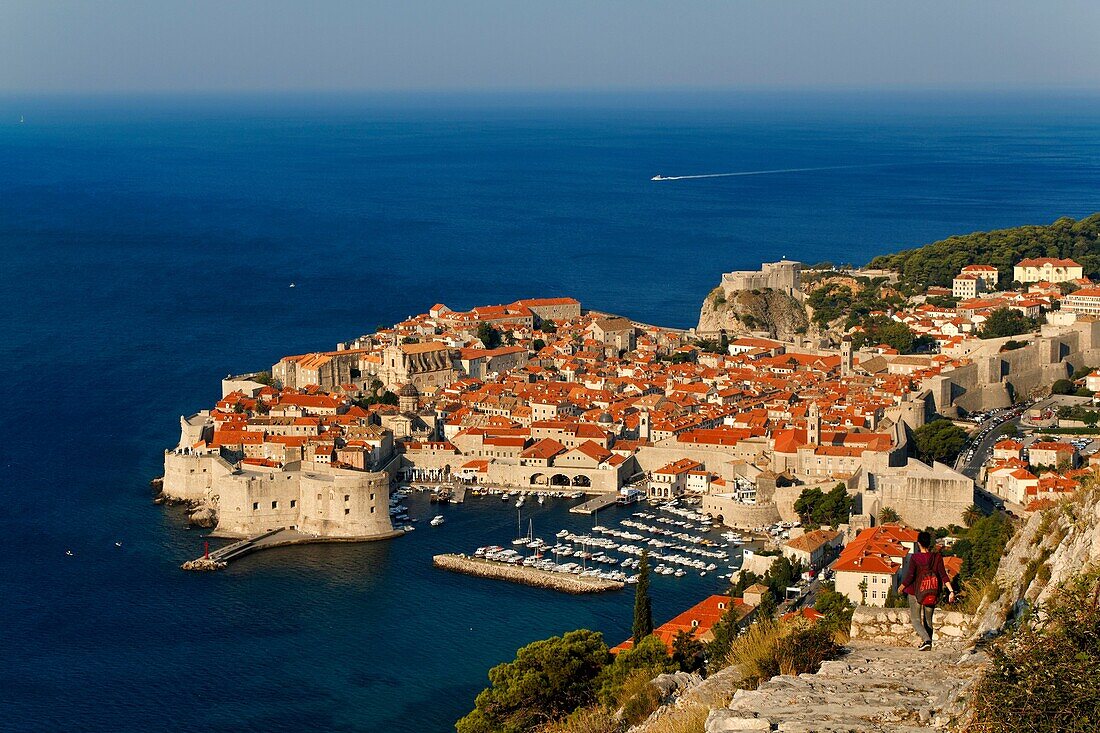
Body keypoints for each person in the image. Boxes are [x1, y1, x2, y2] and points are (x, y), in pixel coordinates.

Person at [899, 530, 956, 650]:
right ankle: (928, 644)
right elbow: (943, 575)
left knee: (915, 620)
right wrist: (951, 591)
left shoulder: (915, 558)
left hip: (915, 592)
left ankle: (926, 641)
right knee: (928, 620)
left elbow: (910, 576)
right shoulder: (937, 557)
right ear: (929, 543)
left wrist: (902, 587)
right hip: (932, 591)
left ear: (919, 543)